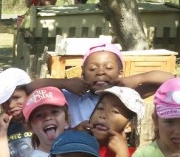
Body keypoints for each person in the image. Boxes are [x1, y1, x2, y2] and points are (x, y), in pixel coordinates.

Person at [29, 42, 174, 128]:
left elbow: (172, 81)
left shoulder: (125, 96)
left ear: (120, 72)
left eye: (109, 67)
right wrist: (65, 83)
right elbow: (30, 88)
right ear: (83, 74)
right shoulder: (73, 97)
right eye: (92, 69)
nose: (100, 72)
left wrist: (137, 78)